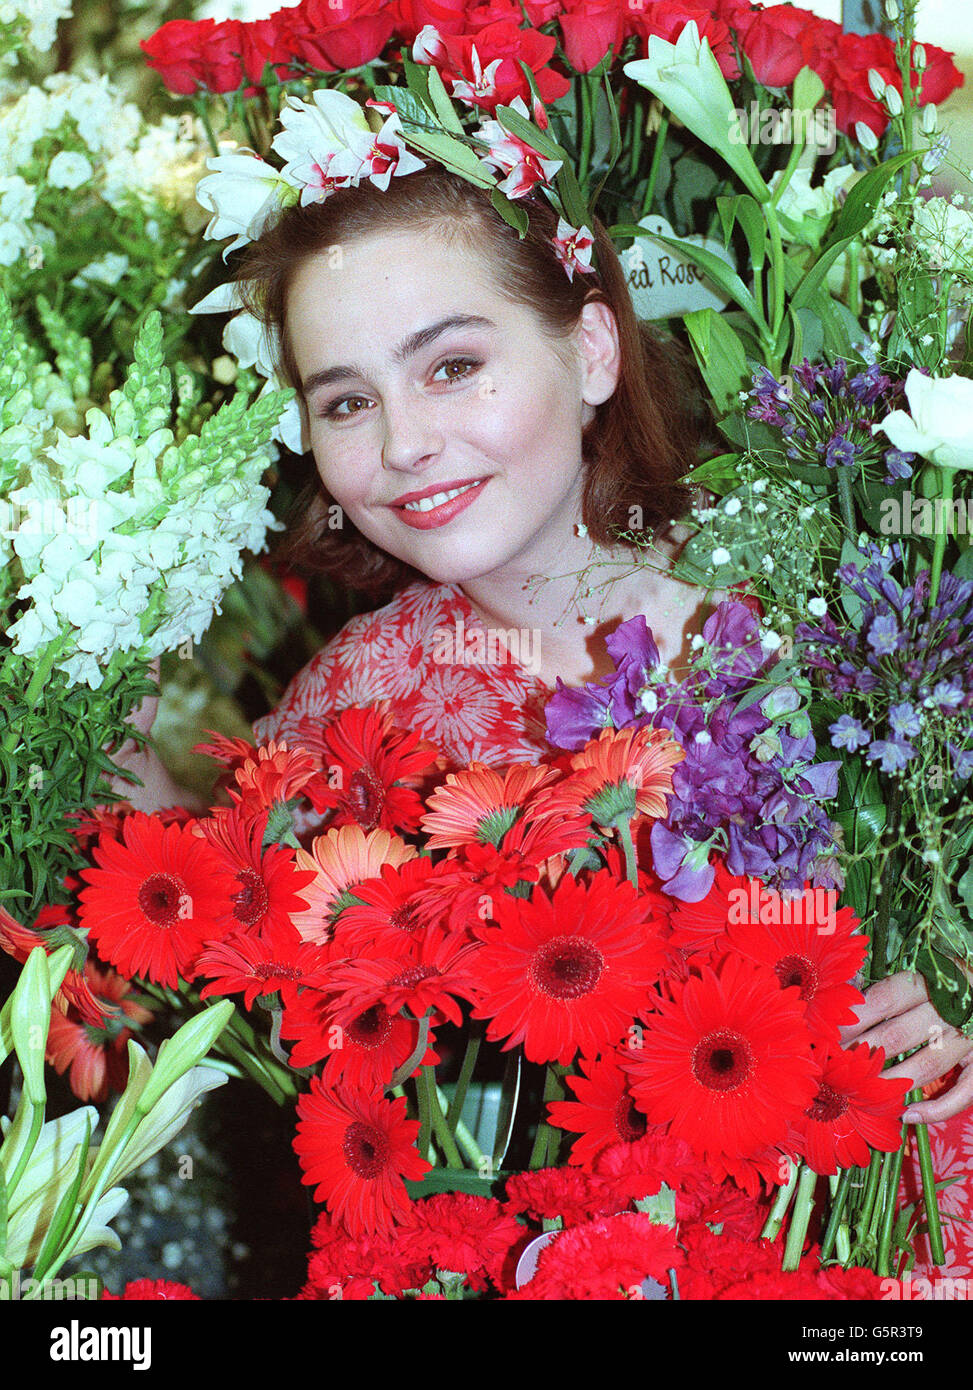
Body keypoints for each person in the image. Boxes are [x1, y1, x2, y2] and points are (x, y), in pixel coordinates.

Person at [129, 139, 973, 1272]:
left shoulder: (839, 609)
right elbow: (239, 972)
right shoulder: (354, 704)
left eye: (450, 366)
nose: (402, 442)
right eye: (344, 400)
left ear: (588, 350)